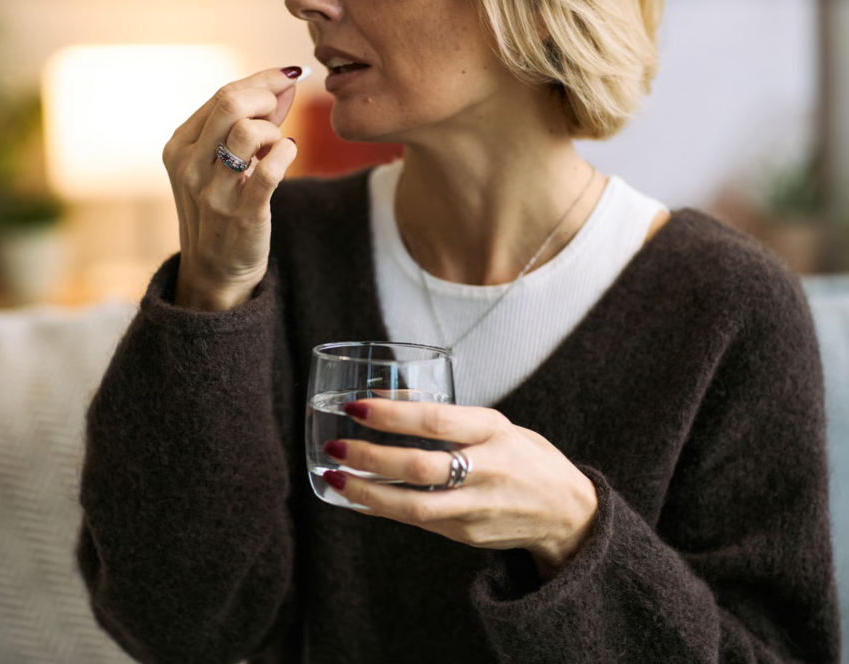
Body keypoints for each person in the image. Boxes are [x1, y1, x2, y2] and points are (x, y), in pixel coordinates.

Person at [76, 0, 841, 662]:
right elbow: (172, 630)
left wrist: (573, 530)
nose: (304, 3)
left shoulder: (727, 306)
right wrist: (209, 296)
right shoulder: (277, 250)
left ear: (536, 14)